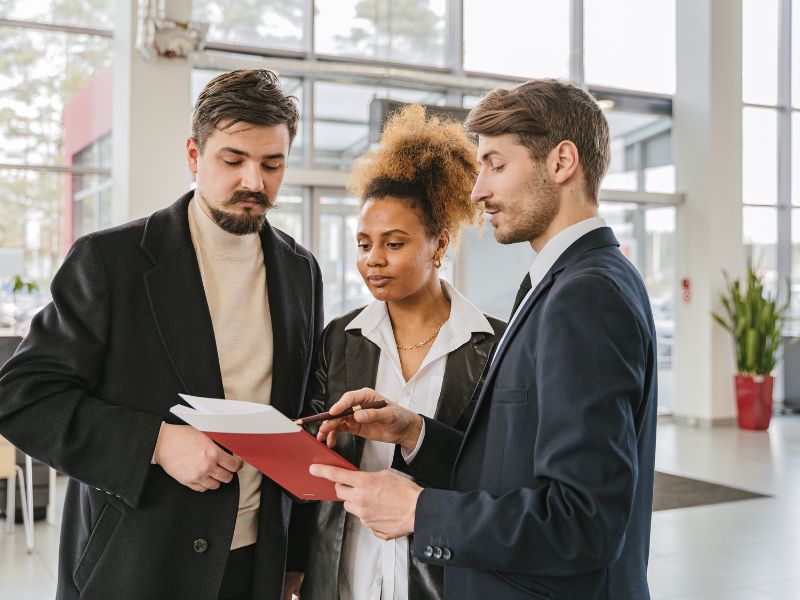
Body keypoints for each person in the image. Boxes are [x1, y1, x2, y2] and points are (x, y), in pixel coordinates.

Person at [311, 79, 658, 600]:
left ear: (562, 162)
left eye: (496, 164)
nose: (478, 191)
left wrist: (418, 510)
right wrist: (413, 432)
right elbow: (508, 468)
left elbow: (584, 520)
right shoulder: (566, 282)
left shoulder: (585, 296)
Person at [0, 69, 322, 600]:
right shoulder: (110, 261)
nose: (254, 182)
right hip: (136, 561)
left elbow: (299, 409)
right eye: (233, 160)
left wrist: (297, 555)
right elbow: (23, 398)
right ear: (194, 155)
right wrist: (156, 442)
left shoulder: (300, 269)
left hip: (254, 563)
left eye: (272, 163)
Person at [299, 105, 506, 600]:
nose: (373, 260)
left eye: (393, 243)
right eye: (364, 243)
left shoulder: (494, 345)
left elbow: (496, 474)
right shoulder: (338, 338)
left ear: (440, 244)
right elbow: (314, 468)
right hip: (345, 576)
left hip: (441, 579)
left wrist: (416, 437)